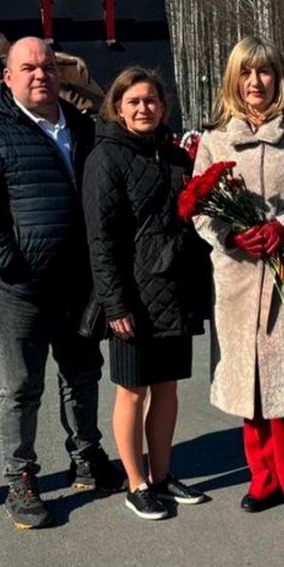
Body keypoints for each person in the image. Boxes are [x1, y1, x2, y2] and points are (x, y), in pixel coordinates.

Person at [0, 36, 124, 530]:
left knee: (82, 375)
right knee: (22, 387)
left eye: (47, 67)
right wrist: (6, 262)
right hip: (22, 288)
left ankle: (86, 456)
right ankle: (21, 477)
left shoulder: (81, 126)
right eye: (29, 68)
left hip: (79, 284)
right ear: (8, 77)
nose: (41, 75)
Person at [192, 36, 284, 522]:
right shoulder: (215, 138)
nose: (255, 82)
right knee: (247, 390)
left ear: (279, 77)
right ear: (233, 79)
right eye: (246, 73)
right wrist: (230, 235)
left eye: (265, 71)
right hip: (235, 280)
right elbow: (200, 212)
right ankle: (264, 480)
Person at [83, 67, 211, 520]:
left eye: (151, 101)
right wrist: (114, 302)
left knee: (167, 389)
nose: (144, 109)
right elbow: (100, 240)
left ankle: (161, 475)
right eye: (134, 102)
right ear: (118, 108)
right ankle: (135, 483)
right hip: (133, 298)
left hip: (174, 292)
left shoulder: (175, 156)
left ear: (162, 106)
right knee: (132, 392)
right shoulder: (105, 158)